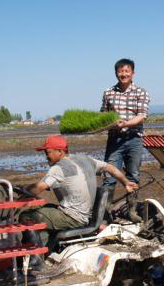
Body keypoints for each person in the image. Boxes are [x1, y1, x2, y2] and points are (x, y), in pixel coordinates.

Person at [21, 135, 137, 251]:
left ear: (60, 152)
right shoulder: (85, 159)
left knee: (26, 216)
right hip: (86, 216)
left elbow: (39, 187)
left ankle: (35, 259)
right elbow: (110, 167)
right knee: (44, 208)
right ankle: (49, 248)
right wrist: (126, 182)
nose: (46, 156)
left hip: (73, 218)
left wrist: (24, 190)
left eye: (48, 152)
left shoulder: (58, 168)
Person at [100, 57, 149, 222]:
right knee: (109, 177)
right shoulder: (108, 93)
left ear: (133, 73)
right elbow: (103, 116)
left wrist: (125, 124)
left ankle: (131, 211)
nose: (123, 74)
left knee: (133, 175)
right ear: (116, 73)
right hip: (115, 140)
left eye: (127, 71)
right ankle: (105, 214)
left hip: (134, 139)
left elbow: (141, 116)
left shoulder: (140, 92)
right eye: (120, 71)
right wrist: (107, 124)